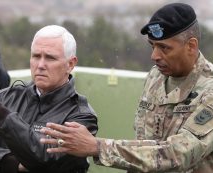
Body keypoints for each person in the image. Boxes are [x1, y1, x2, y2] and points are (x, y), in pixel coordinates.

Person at [39, 3, 213, 173]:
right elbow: (144, 143)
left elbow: (179, 154)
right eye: (152, 46)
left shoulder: (209, 89)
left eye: (164, 48)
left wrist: (98, 147)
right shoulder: (156, 77)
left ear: (191, 46)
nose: (154, 56)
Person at [0, 25, 98, 173]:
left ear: (71, 64)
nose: (40, 65)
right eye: (36, 56)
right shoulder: (9, 97)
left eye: (50, 57)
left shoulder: (81, 115)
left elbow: (44, 160)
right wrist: (10, 164)